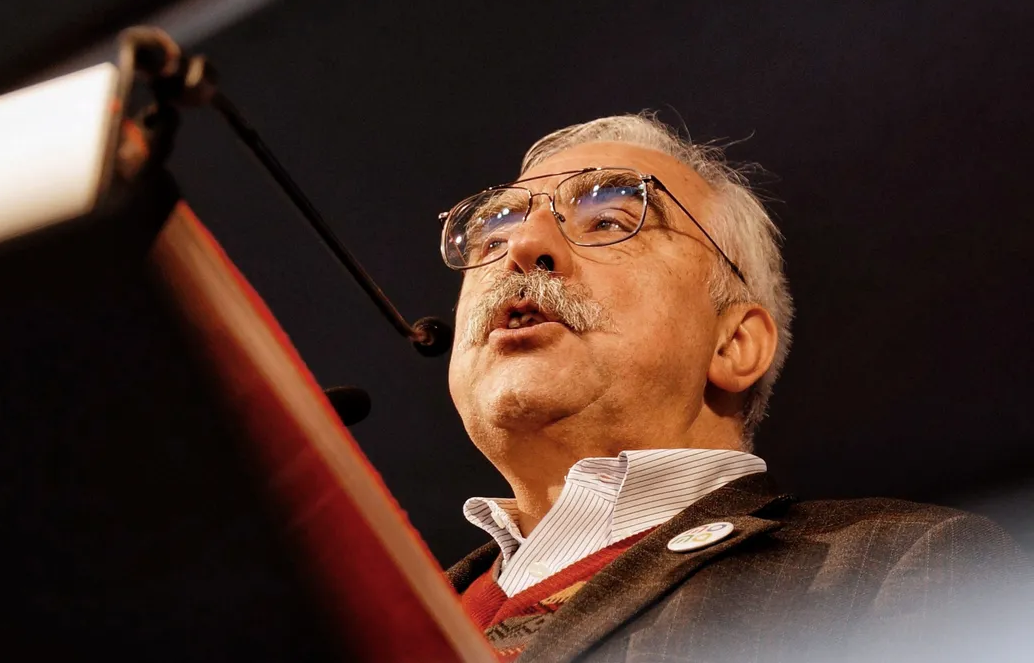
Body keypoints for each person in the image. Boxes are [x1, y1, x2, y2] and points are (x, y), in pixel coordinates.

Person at [440, 113, 1029, 662]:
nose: (521, 249)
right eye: (493, 237)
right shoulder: (398, 609)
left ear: (734, 344)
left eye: (610, 221)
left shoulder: (896, 569)